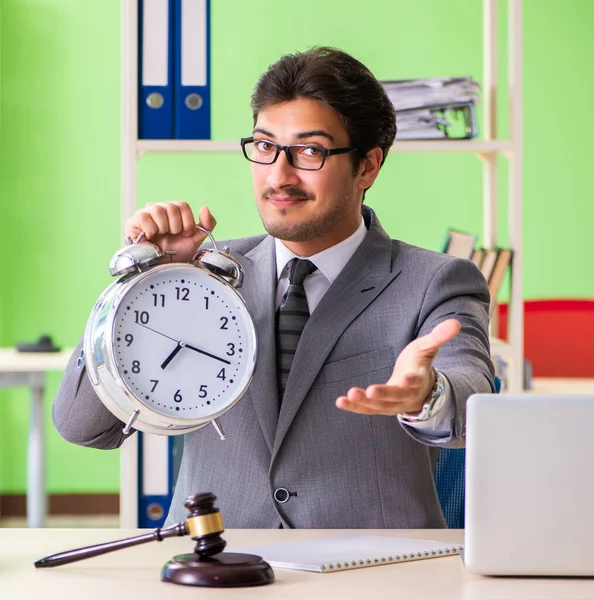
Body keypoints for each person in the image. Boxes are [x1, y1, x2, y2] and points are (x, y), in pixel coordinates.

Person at [53, 46, 494, 529]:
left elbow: (474, 403)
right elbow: (83, 428)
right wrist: (140, 284)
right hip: (219, 565)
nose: (279, 176)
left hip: (372, 574)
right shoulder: (195, 276)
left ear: (367, 166)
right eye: (265, 147)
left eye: (310, 151)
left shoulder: (435, 280)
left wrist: (426, 394)